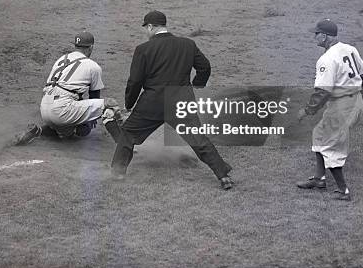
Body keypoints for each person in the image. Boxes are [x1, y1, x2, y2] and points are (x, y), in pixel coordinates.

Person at [110, 11, 234, 190]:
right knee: (198, 138)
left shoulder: (143, 49)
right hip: (180, 100)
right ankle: (223, 175)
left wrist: (129, 103)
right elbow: (205, 67)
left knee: (128, 134)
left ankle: (118, 172)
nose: (146, 32)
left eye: (146, 28)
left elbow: (135, 81)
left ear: (151, 27)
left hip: (152, 102)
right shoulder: (188, 44)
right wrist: (196, 86)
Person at [297, 19, 363, 201]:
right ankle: (319, 179)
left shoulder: (326, 59)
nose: (314, 37)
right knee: (319, 134)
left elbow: (322, 92)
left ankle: (343, 191)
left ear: (325, 36)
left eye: (317, 33)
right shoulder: (350, 49)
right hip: (354, 102)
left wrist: (307, 111)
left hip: (342, 107)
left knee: (331, 145)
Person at [13, 31, 123, 145]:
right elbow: (95, 97)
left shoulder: (61, 59)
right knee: (110, 105)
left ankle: (38, 131)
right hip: (63, 109)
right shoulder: (93, 66)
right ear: (91, 47)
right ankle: (122, 144)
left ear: (75, 46)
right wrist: (90, 119)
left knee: (67, 130)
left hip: (45, 107)